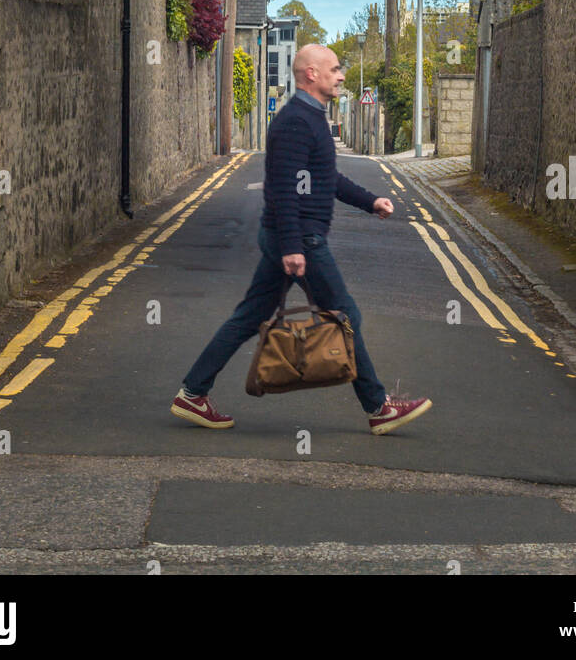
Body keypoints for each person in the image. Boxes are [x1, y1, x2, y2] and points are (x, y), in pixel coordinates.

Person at [171, 43, 432, 435]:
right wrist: (293, 246)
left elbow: (328, 179)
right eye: (335, 69)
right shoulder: (296, 121)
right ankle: (378, 407)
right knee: (346, 316)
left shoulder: (311, 118)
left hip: (292, 238)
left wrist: (370, 201)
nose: (341, 76)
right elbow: (282, 189)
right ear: (311, 73)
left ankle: (193, 392)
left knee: (249, 317)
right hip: (301, 240)